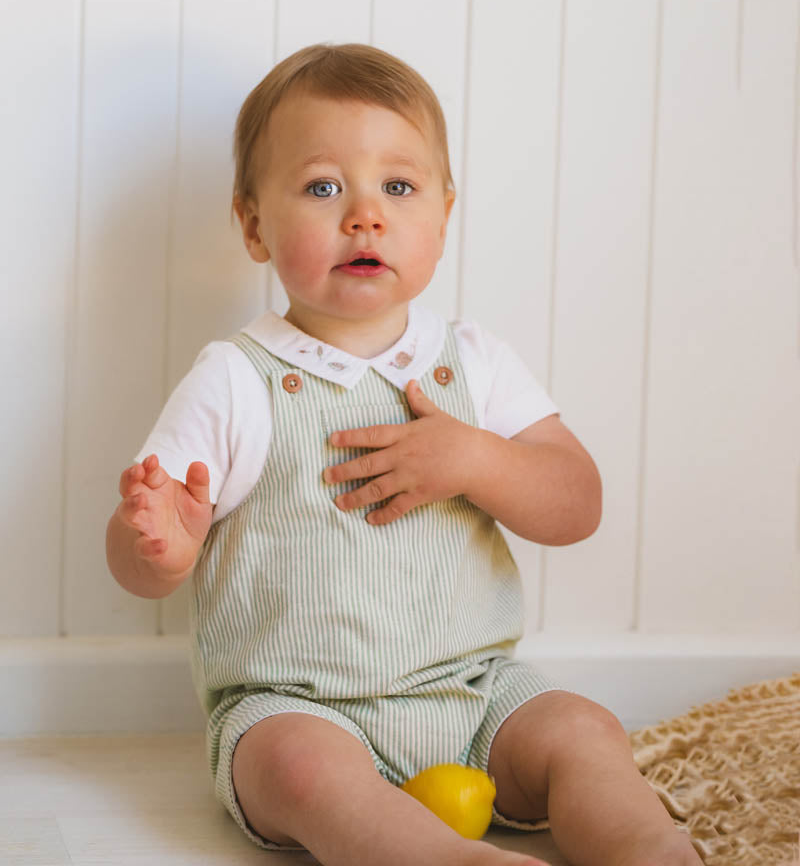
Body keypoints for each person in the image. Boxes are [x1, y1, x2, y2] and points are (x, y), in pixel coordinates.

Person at [106, 43, 701, 866]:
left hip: (477, 697)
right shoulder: (238, 378)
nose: (365, 215)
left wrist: (479, 462)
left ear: (444, 214)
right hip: (297, 706)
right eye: (323, 188)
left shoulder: (474, 363)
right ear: (252, 224)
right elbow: (139, 561)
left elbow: (577, 503)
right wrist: (159, 547)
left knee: (583, 730)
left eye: (398, 186)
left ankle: (648, 849)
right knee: (302, 772)